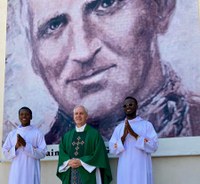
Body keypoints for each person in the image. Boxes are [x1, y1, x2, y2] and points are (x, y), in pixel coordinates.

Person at [18, 0, 200, 145]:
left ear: (162, 7)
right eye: (54, 25)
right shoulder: (37, 144)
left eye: (106, 4)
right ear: (33, 54)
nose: (83, 52)